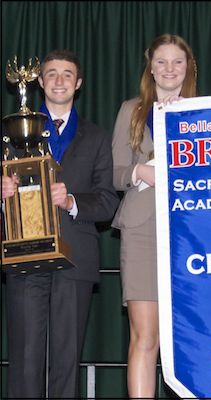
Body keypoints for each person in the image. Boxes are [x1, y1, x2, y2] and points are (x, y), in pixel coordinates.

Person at [5, 49, 119, 398]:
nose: (59, 80)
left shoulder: (97, 137)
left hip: (75, 257)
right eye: (52, 74)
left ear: (79, 84)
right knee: (25, 358)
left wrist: (71, 202)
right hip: (24, 256)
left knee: (67, 359)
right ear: (40, 82)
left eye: (67, 74)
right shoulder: (10, 132)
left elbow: (108, 202)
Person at [111, 34, 197, 398]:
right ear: (150, 67)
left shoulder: (205, 110)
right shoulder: (131, 110)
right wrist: (140, 173)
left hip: (193, 230)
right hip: (143, 231)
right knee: (145, 337)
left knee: (191, 336)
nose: (169, 69)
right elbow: (115, 174)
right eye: (161, 62)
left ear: (189, 68)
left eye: (177, 62)